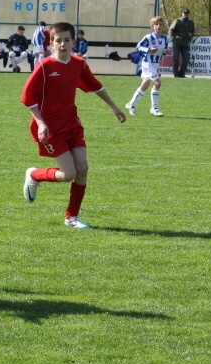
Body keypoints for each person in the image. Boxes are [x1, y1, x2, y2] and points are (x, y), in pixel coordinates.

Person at [20, 21, 126, 229]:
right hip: (50, 127)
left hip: (71, 123)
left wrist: (114, 107)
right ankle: (34, 174)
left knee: (83, 168)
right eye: (58, 40)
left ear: (74, 41)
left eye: (67, 40)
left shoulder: (79, 64)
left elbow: (94, 85)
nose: (62, 44)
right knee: (68, 174)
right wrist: (41, 123)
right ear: (51, 43)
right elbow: (27, 98)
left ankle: (72, 217)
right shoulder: (44, 67)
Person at [125, 16, 171, 117]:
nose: (159, 26)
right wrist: (148, 49)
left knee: (145, 85)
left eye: (160, 24)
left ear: (163, 26)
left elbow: (164, 51)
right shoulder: (148, 37)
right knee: (157, 83)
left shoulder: (165, 38)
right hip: (148, 63)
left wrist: (165, 51)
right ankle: (154, 108)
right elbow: (138, 47)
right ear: (153, 26)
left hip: (156, 64)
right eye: (156, 24)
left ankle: (130, 104)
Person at [169, 8, 195, 77]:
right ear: (182, 13)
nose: (185, 14)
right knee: (176, 59)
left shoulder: (191, 22)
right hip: (177, 42)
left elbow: (192, 31)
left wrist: (191, 35)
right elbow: (171, 30)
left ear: (189, 14)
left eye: (187, 13)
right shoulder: (177, 21)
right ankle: (176, 73)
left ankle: (181, 73)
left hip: (185, 43)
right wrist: (173, 39)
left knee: (186, 59)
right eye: (184, 13)